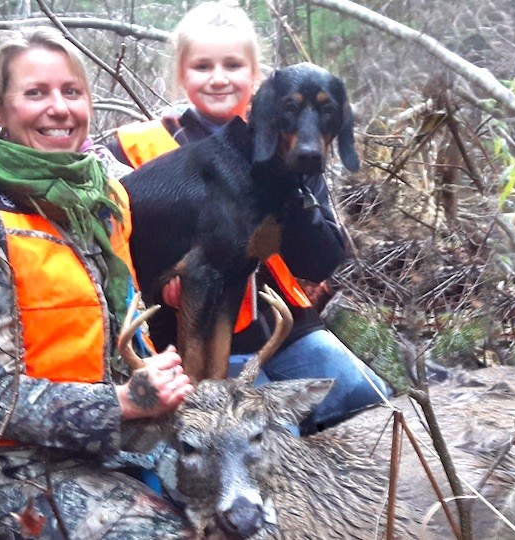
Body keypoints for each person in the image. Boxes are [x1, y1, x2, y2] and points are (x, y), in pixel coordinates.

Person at [0, 26, 195, 537]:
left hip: (119, 435)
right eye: (35, 93)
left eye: (71, 91)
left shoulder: (100, 200)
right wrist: (124, 403)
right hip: (10, 466)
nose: (59, 108)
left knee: (256, 501)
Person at [107, 1, 390, 434]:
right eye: (203, 66)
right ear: (181, 74)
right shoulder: (128, 149)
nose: (218, 77)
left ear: (254, 79)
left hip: (278, 331)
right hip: (178, 339)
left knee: (370, 398)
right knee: (261, 439)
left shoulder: (294, 156)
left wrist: (292, 195)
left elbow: (321, 262)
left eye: (233, 65)